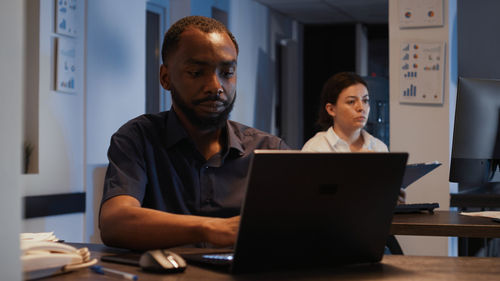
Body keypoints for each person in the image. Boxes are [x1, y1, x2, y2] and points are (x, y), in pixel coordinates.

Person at [99, 16, 288, 251]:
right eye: (197, 72)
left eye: (227, 73)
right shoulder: (138, 138)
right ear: (166, 78)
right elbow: (115, 222)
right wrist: (210, 228)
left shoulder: (269, 150)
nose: (216, 86)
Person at [302, 72, 405, 203]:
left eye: (365, 100)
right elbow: (309, 202)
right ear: (331, 109)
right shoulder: (315, 149)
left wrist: (394, 202)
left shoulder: (378, 147)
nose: (361, 108)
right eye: (351, 102)